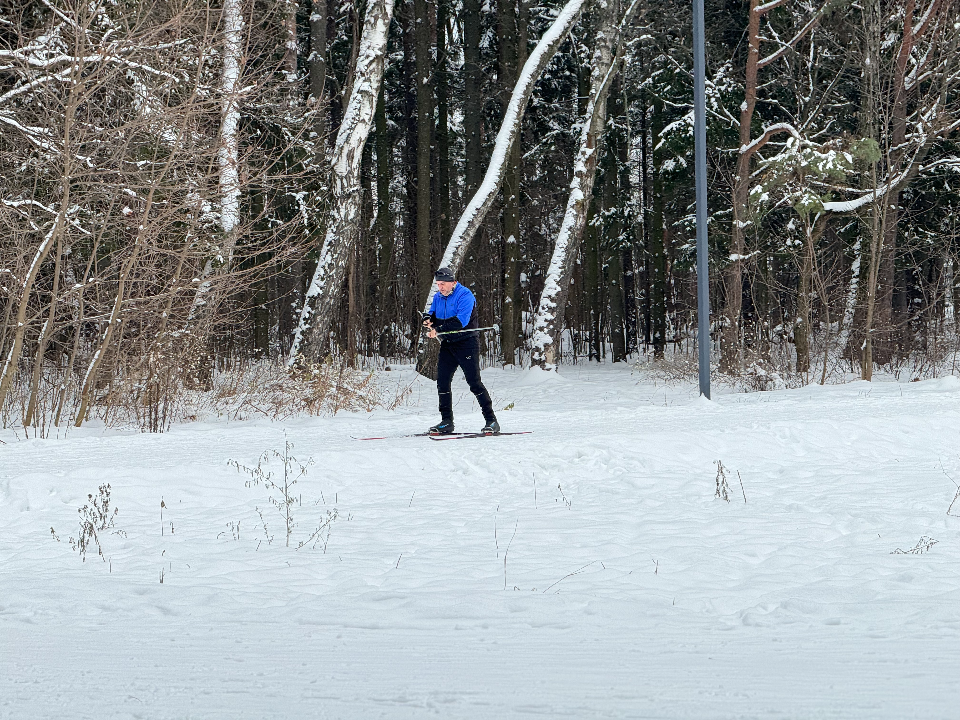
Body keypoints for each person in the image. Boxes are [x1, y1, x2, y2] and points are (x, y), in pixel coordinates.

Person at [423, 267, 500, 435]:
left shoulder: (465, 296)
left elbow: (461, 322)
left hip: (466, 343)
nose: (440, 287)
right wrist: (428, 320)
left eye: (443, 284)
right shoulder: (438, 297)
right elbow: (432, 314)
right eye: (438, 284)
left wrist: (439, 329)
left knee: (474, 382)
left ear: (453, 282)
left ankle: (491, 420)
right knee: (442, 382)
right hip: (448, 344)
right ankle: (446, 421)